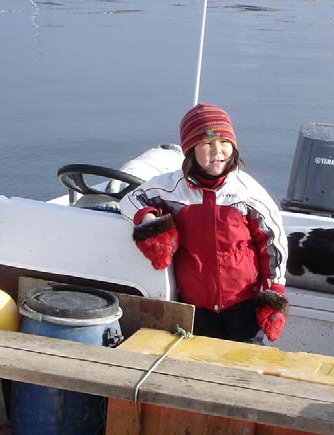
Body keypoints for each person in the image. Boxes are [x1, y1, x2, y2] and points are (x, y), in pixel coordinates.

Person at [120, 103, 289, 343]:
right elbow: (130, 200)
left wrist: (273, 296)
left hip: (243, 306)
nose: (217, 151)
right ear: (190, 149)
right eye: (207, 144)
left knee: (243, 367)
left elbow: (274, 242)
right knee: (199, 364)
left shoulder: (247, 193)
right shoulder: (171, 187)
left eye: (224, 142)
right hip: (195, 308)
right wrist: (150, 223)